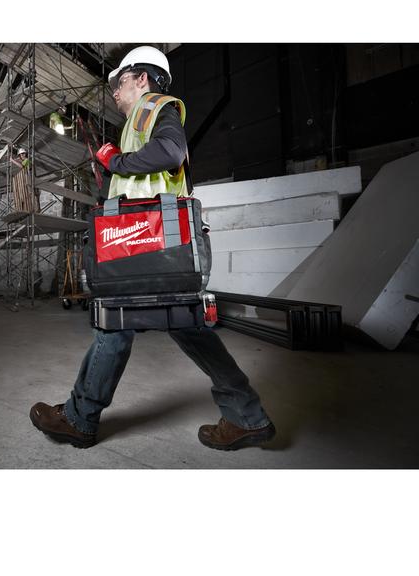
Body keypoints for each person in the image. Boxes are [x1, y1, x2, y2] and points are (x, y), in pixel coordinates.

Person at [29, 46, 276, 451]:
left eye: (120, 81)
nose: (114, 90)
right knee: (183, 326)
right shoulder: (138, 122)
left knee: (115, 321)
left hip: (148, 243)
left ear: (142, 78)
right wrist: (113, 172)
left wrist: (117, 162)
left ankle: (80, 418)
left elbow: (169, 151)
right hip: (158, 243)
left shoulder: (155, 107)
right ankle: (247, 417)